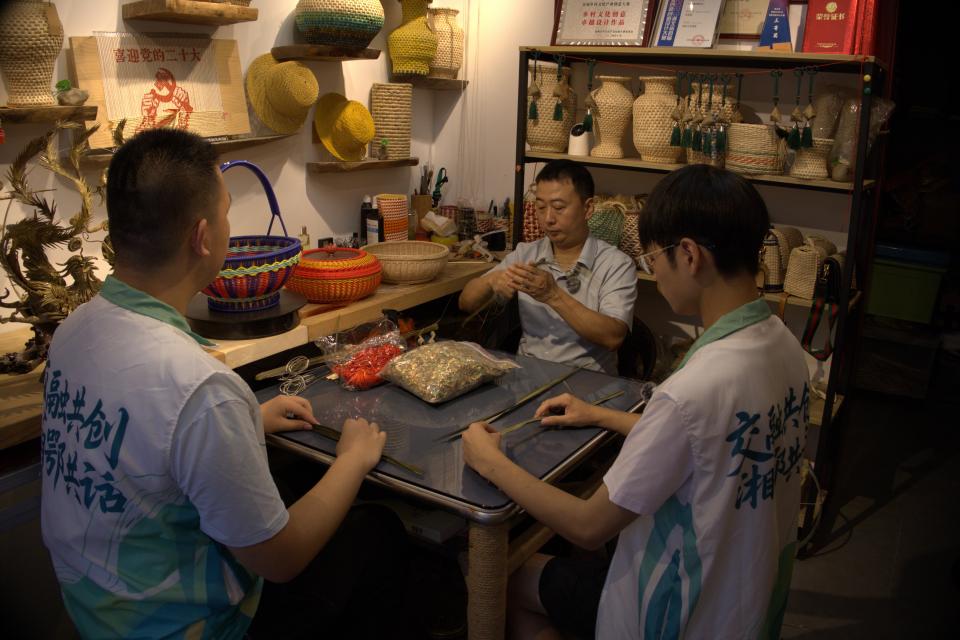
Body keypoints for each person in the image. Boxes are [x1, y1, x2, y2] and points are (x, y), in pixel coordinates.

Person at [39, 129, 407, 639]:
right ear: (203, 237)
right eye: (228, 212)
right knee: (378, 529)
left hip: (96, 611)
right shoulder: (200, 387)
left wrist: (245, 420)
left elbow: (135, 439)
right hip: (189, 627)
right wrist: (352, 460)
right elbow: (280, 559)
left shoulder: (73, 331)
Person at [462, 164, 811, 639]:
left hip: (672, 608)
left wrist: (490, 462)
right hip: (747, 598)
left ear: (688, 255)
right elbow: (706, 441)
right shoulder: (785, 346)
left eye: (653, 258)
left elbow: (589, 525)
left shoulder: (692, 389)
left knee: (500, 576)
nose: (654, 271)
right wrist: (599, 414)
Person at [458, 160, 637, 374]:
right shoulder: (527, 254)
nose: (548, 219)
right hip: (529, 374)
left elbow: (613, 337)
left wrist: (552, 295)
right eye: (541, 207)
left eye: (559, 208)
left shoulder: (616, 264)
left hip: (587, 381)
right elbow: (466, 303)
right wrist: (490, 282)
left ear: (588, 208)